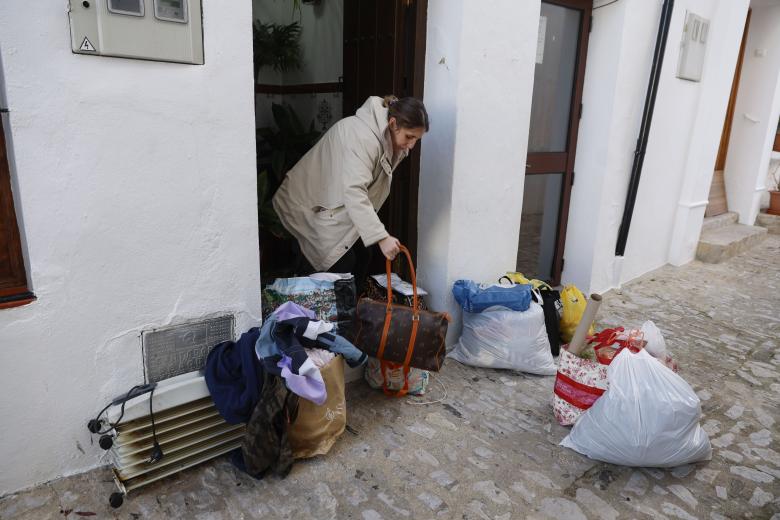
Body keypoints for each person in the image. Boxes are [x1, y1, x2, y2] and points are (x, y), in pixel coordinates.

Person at [272, 95, 429, 293]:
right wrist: (381, 237)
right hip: (310, 205)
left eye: (417, 139)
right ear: (393, 123)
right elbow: (355, 192)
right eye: (409, 137)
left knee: (363, 256)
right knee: (339, 265)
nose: (412, 145)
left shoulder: (390, 140)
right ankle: (322, 319)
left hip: (334, 204)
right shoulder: (363, 138)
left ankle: (347, 316)